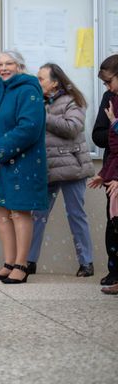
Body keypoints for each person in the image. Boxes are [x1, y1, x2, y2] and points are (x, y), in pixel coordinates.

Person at [0, 50, 48, 284]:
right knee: (1, 213)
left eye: (9, 63)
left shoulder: (29, 90)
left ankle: (21, 265)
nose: (3, 68)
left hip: (21, 164)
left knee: (19, 212)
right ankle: (8, 263)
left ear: (20, 67)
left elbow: (29, 127)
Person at [27, 63, 95, 277]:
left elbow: (72, 127)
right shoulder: (37, 101)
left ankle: (86, 263)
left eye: (41, 79)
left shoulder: (73, 100)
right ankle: (28, 262)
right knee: (37, 216)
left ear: (55, 82)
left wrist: (42, 117)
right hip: (47, 168)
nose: (37, 82)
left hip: (72, 168)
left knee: (76, 214)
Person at [89, 54, 118, 291]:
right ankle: (114, 272)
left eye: (109, 81)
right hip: (112, 168)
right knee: (113, 221)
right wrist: (113, 128)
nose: (107, 88)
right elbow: (98, 136)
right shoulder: (110, 98)